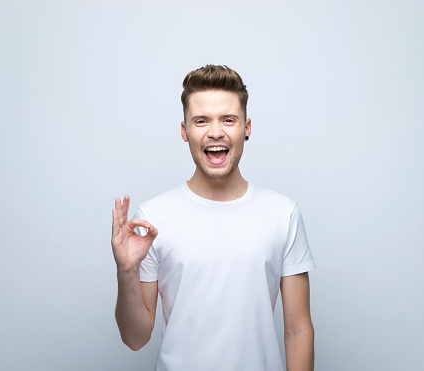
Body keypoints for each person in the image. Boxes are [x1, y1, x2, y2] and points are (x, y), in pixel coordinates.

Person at [111, 65, 316, 371]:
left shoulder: (282, 214)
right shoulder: (152, 218)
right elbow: (135, 338)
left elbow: (298, 328)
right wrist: (126, 271)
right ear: (185, 131)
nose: (216, 131)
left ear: (246, 128)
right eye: (201, 120)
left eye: (228, 120)